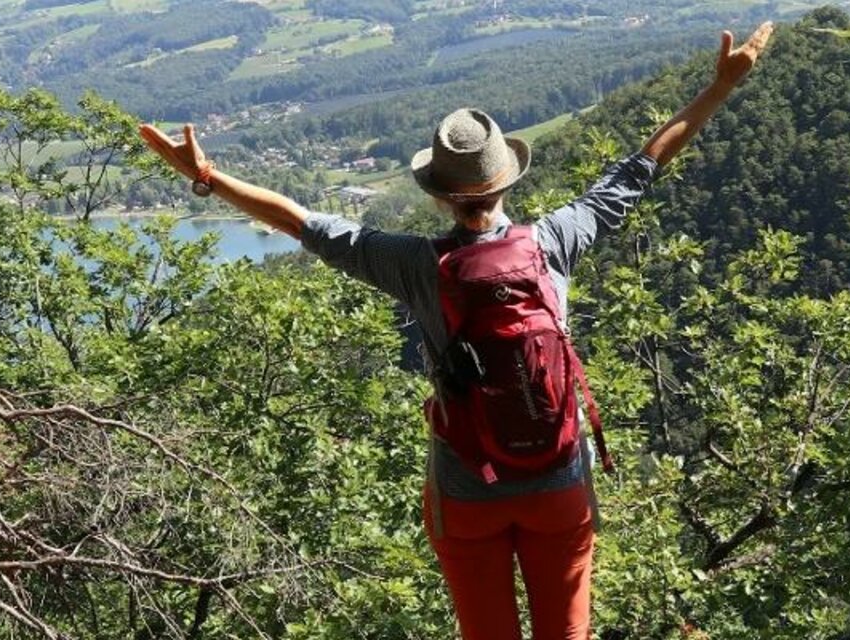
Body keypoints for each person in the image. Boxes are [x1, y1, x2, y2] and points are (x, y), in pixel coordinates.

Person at [138, 23, 775, 640]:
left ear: (441, 196)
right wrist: (720, 86)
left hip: (468, 488)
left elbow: (302, 222)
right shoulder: (555, 242)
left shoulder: (416, 264)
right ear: (505, 182)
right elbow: (640, 168)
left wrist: (207, 177)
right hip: (558, 482)